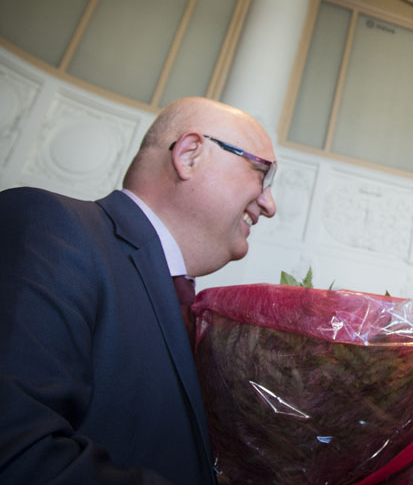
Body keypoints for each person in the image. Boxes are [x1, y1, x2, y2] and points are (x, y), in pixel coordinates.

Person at [0, 97, 278, 484]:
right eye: (261, 173)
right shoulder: (52, 228)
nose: (269, 204)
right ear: (190, 155)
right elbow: (16, 453)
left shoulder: (186, 307)